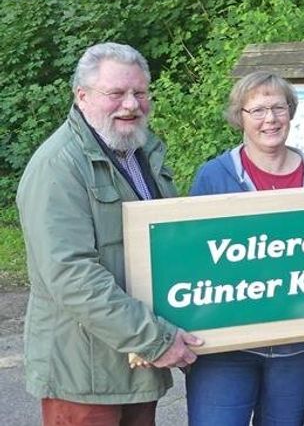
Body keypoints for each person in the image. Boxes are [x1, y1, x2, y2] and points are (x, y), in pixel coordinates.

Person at [17, 42, 202, 425]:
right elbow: (71, 275)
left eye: (139, 92)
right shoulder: (58, 167)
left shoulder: (139, 153)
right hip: (82, 373)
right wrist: (156, 338)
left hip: (134, 363)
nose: (131, 104)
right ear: (81, 96)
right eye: (116, 93)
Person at [186, 70, 304, 425]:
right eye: (257, 110)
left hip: (297, 347)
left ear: (291, 112)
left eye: (278, 108)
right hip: (226, 347)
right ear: (240, 117)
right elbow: (193, 260)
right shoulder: (213, 176)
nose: (270, 119)